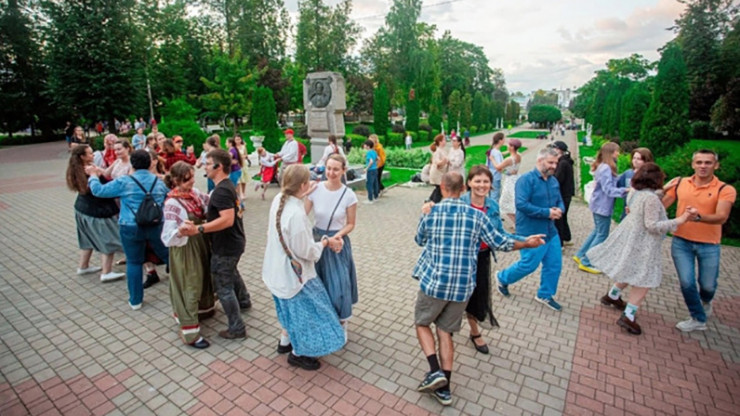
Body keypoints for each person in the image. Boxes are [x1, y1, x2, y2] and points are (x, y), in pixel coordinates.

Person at [413, 172, 544, 406]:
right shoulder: (477, 216)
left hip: (434, 283)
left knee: (422, 323)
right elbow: (500, 242)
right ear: (464, 188)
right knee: (445, 332)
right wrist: (527, 242)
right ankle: (446, 389)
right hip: (463, 287)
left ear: (442, 188)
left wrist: (425, 215)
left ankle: (435, 371)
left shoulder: (431, 212)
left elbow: (419, 240)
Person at [589, 163, 694, 335]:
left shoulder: (635, 192)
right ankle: (629, 315)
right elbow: (652, 225)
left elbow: (648, 198)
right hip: (644, 243)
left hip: (631, 237)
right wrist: (681, 219)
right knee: (644, 278)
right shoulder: (650, 198)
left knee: (630, 269)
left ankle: (613, 295)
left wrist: (665, 189)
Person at [263, 164, 345, 370]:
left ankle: (285, 343)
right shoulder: (297, 215)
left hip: (275, 269)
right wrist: (324, 242)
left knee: (288, 311)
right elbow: (306, 251)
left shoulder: (279, 200)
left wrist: (302, 193)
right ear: (302, 185)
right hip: (295, 275)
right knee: (309, 313)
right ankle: (300, 353)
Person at [662, 149, 737, 332]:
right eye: (699, 162)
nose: (703, 166)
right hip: (681, 241)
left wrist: (698, 217)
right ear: (693, 164)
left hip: (709, 244)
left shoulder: (725, 189)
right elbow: (663, 205)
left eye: (708, 163)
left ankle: (706, 301)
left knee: (707, 285)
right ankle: (697, 318)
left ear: (716, 165)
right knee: (687, 282)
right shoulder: (680, 183)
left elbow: (721, 217)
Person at [86, 150, 170, 310]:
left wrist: (93, 176)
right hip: (155, 225)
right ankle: (183, 285)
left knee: (133, 261)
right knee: (169, 255)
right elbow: (168, 198)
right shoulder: (158, 182)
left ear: (132, 164)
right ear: (150, 163)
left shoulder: (125, 181)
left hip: (130, 226)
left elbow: (99, 191)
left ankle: (136, 300)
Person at [181, 148, 251, 339]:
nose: (204, 167)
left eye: (207, 163)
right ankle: (244, 300)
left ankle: (237, 328)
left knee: (223, 285)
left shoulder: (220, 191)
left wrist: (199, 229)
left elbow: (227, 220)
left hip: (226, 245)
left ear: (218, 167)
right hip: (234, 242)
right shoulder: (227, 186)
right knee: (230, 272)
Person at [460, 165, 523, 354]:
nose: (482, 185)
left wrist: (525, 240)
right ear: (469, 183)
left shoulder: (493, 206)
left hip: (482, 257)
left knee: (478, 297)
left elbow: (500, 234)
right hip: (461, 258)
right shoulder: (459, 203)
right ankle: (447, 327)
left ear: (491, 184)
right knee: (455, 295)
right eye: (477, 181)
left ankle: (474, 332)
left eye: (485, 181)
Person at [496, 147, 565, 311]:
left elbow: (559, 200)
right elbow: (521, 204)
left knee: (554, 264)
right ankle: (502, 277)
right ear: (539, 161)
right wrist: (547, 212)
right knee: (529, 265)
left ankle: (545, 294)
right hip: (531, 231)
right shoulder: (525, 180)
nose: (554, 166)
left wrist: (560, 209)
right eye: (550, 162)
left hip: (551, 231)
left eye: (556, 163)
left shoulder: (553, 181)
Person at [161, 162, 215, 349]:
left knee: (202, 278)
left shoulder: (194, 194)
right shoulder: (172, 203)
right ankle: (189, 331)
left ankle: (202, 310)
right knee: (189, 284)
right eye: (187, 179)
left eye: (192, 176)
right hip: (185, 249)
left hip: (200, 243)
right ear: (176, 180)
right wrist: (180, 231)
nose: (192, 181)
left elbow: (208, 202)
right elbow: (167, 235)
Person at [306, 154, 358, 331]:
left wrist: (338, 236)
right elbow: (302, 215)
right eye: (328, 168)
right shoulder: (315, 189)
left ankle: (342, 322)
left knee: (339, 283)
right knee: (318, 282)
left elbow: (351, 223)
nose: (331, 172)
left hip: (337, 242)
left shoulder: (349, 195)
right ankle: (323, 319)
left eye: (336, 169)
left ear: (343, 170)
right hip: (317, 240)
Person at [66, 145, 125, 283]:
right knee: (108, 240)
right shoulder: (88, 172)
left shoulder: (77, 169)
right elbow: (101, 189)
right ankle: (106, 272)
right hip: (98, 211)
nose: (93, 155)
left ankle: (83, 266)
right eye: (90, 153)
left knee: (87, 239)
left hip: (82, 209)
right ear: (82, 156)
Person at [573, 142, 628, 274]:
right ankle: (586, 262)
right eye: (616, 151)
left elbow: (610, 182)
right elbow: (608, 189)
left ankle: (580, 254)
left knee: (597, 231)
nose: (618, 154)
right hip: (602, 206)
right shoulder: (606, 168)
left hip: (600, 205)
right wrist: (626, 190)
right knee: (602, 234)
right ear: (610, 152)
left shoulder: (604, 167)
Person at [617, 148, 654, 221]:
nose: (635, 161)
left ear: (646, 161)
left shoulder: (649, 176)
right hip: (627, 209)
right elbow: (617, 184)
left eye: (639, 159)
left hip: (641, 212)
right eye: (634, 158)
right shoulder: (628, 173)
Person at [495, 138, 523, 225]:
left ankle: (517, 224)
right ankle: (518, 223)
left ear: (512, 147)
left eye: (508, 145)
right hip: (516, 178)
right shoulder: (518, 155)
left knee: (504, 203)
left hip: (510, 180)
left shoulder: (509, 159)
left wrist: (492, 158)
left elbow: (498, 167)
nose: (507, 146)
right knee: (513, 201)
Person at [552, 141, 575, 246]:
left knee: (559, 219)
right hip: (566, 193)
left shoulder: (562, 163)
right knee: (563, 216)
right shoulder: (565, 161)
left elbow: (558, 179)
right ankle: (566, 236)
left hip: (563, 193)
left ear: (558, 150)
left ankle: (560, 242)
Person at [428, 134, 449, 203]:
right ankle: (433, 204)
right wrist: (443, 161)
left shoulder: (443, 150)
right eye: (444, 140)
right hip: (437, 174)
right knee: (439, 189)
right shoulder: (437, 151)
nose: (445, 141)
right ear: (440, 142)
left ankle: (430, 201)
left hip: (441, 173)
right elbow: (437, 162)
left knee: (438, 189)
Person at [486, 133, 505, 202]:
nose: (504, 141)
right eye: (503, 139)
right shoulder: (496, 153)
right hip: (496, 177)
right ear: (500, 141)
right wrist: (504, 169)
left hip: (490, 175)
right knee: (495, 197)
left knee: (491, 195)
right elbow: (499, 167)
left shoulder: (492, 151)